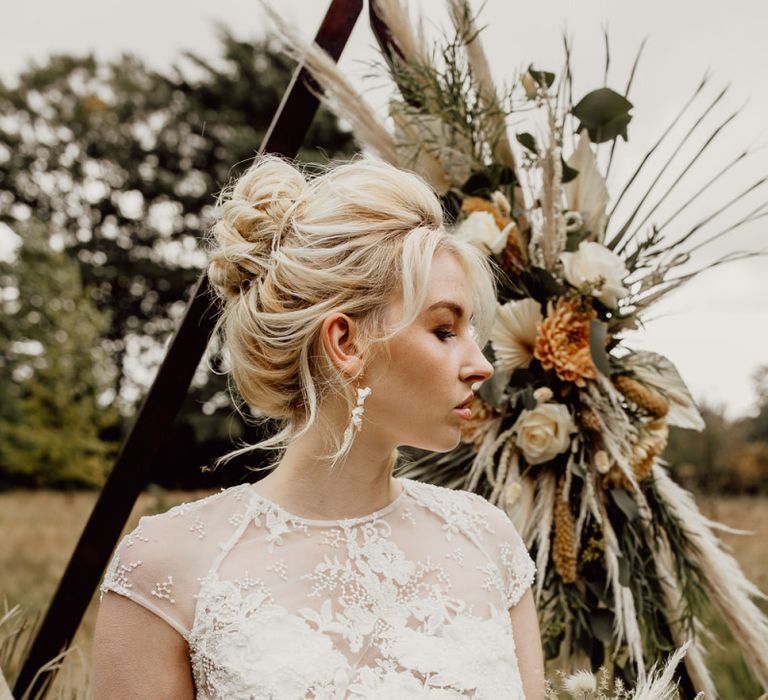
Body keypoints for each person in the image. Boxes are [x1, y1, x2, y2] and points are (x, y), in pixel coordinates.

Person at [92, 155, 545, 699]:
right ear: (345, 343)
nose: (481, 364)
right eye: (445, 330)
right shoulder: (167, 567)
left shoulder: (486, 540)